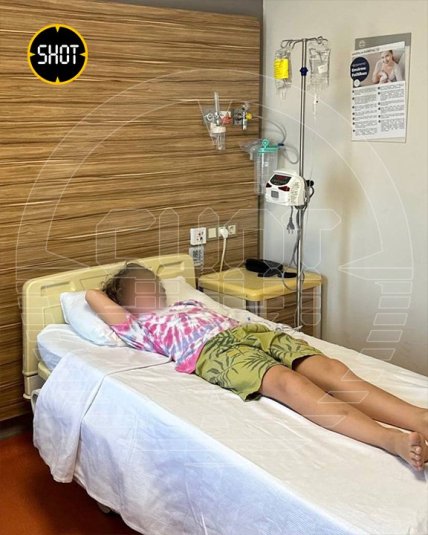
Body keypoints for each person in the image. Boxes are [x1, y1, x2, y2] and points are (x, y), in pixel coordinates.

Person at [86, 262, 428, 471]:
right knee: (289, 384)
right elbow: (90, 295)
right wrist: (118, 288)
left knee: (331, 370)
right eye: (140, 286)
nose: (152, 287)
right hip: (214, 353)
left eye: (152, 282)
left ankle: (419, 418)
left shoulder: (188, 302)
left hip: (249, 333)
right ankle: (390, 440)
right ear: (125, 302)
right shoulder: (140, 328)